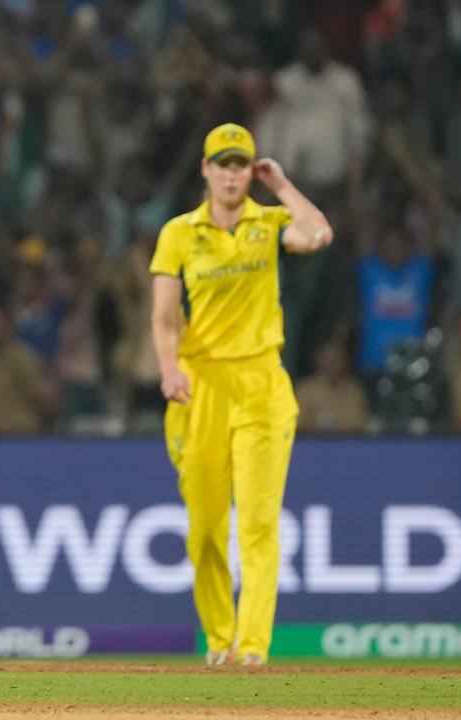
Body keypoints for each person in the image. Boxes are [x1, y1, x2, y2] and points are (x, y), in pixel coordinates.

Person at [150, 123, 333, 666]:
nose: (231, 174)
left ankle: (252, 646)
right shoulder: (179, 232)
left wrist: (281, 186)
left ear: (250, 171)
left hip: (261, 384)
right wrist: (168, 368)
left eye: (240, 165)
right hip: (199, 384)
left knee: (257, 522)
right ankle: (220, 637)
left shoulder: (271, 223)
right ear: (204, 170)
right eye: (222, 164)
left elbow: (319, 233)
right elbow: (162, 316)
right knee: (205, 528)